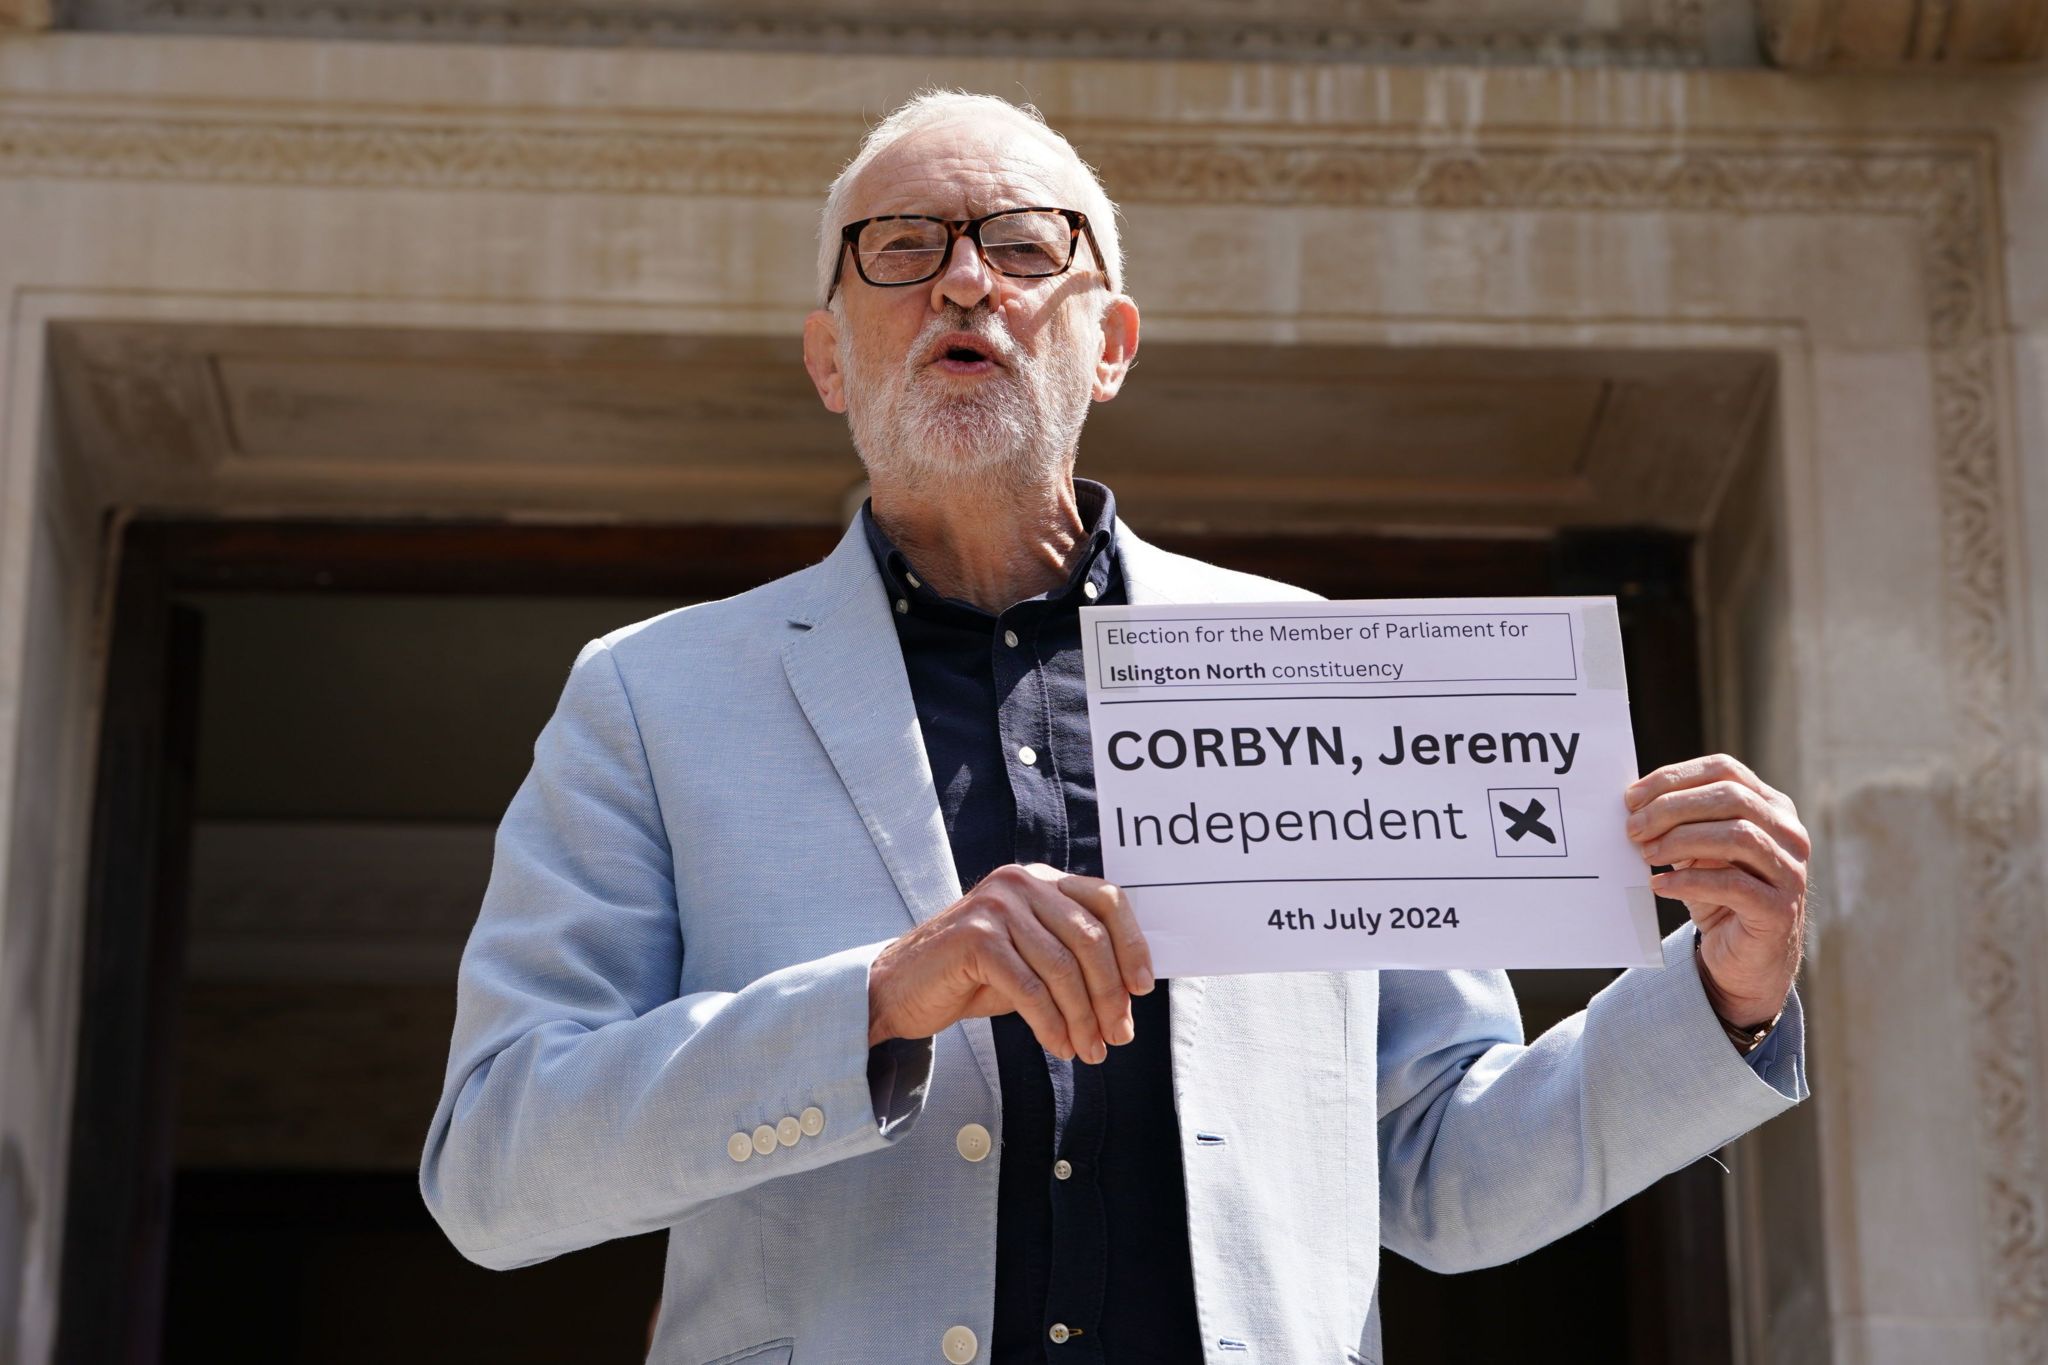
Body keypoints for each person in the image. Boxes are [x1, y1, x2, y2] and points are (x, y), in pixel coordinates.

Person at [419, 90, 1810, 1365]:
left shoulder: (1312, 666)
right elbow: (495, 1165)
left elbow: (1441, 1167)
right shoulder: (650, 697)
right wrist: (880, 1002)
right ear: (828, 359)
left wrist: (1719, 994)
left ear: (1115, 344)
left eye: (1025, 246)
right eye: (901, 247)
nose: (966, 279)